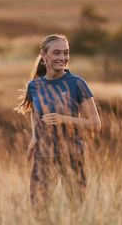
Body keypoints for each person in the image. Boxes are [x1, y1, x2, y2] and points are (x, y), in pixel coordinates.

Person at [15, 34, 101, 210]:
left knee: (76, 209)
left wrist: (63, 119)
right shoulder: (35, 86)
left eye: (66, 53)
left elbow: (95, 124)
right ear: (44, 55)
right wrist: (34, 137)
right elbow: (34, 112)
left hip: (73, 154)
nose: (62, 58)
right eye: (56, 53)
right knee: (38, 209)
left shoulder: (77, 84)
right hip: (44, 155)